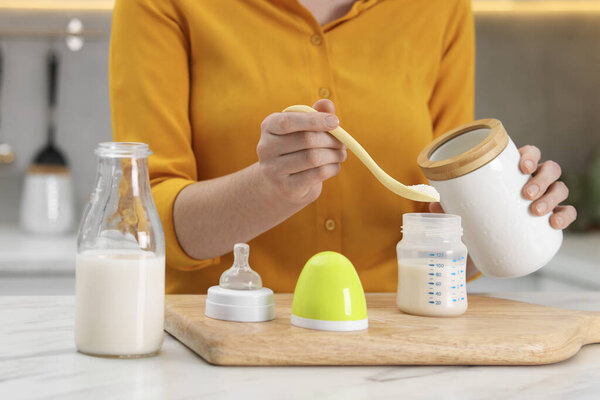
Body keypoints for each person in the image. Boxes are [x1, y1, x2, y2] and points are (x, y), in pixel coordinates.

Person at [110, 0, 576, 294]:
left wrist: (504, 210)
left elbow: (448, 227)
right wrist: (266, 189)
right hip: (221, 340)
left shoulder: (442, 7)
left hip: (399, 343)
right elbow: (143, 223)